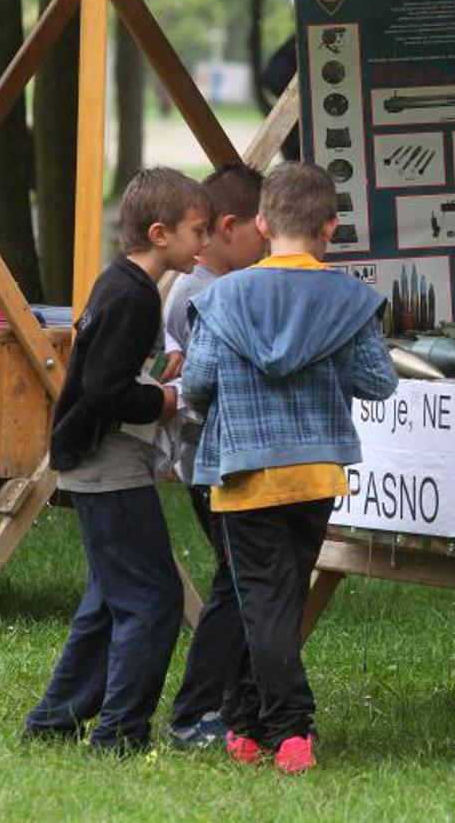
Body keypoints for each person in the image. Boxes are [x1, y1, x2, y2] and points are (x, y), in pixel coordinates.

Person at [182, 162, 397, 774]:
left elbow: (196, 384)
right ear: (330, 226)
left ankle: (289, 730)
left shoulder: (221, 297)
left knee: (264, 605)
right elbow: (378, 383)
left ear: (260, 222)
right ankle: (247, 727)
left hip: (245, 468)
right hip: (316, 472)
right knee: (276, 602)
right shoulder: (349, 300)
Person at [23, 168, 211, 754]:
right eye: (197, 231)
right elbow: (106, 389)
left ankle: (56, 719)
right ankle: (119, 734)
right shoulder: (131, 294)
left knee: (109, 599)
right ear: (160, 233)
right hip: (108, 466)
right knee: (152, 602)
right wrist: (166, 399)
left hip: (96, 459)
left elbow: (107, 374)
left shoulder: (123, 284)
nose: (203, 244)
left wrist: (154, 376)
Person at [161, 164, 266, 749]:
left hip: (215, 454)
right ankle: (195, 712)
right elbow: (207, 383)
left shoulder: (205, 287)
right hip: (212, 457)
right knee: (236, 582)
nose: (268, 243)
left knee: (239, 578)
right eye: (261, 231)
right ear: (230, 227)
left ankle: (229, 702)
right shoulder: (206, 295)